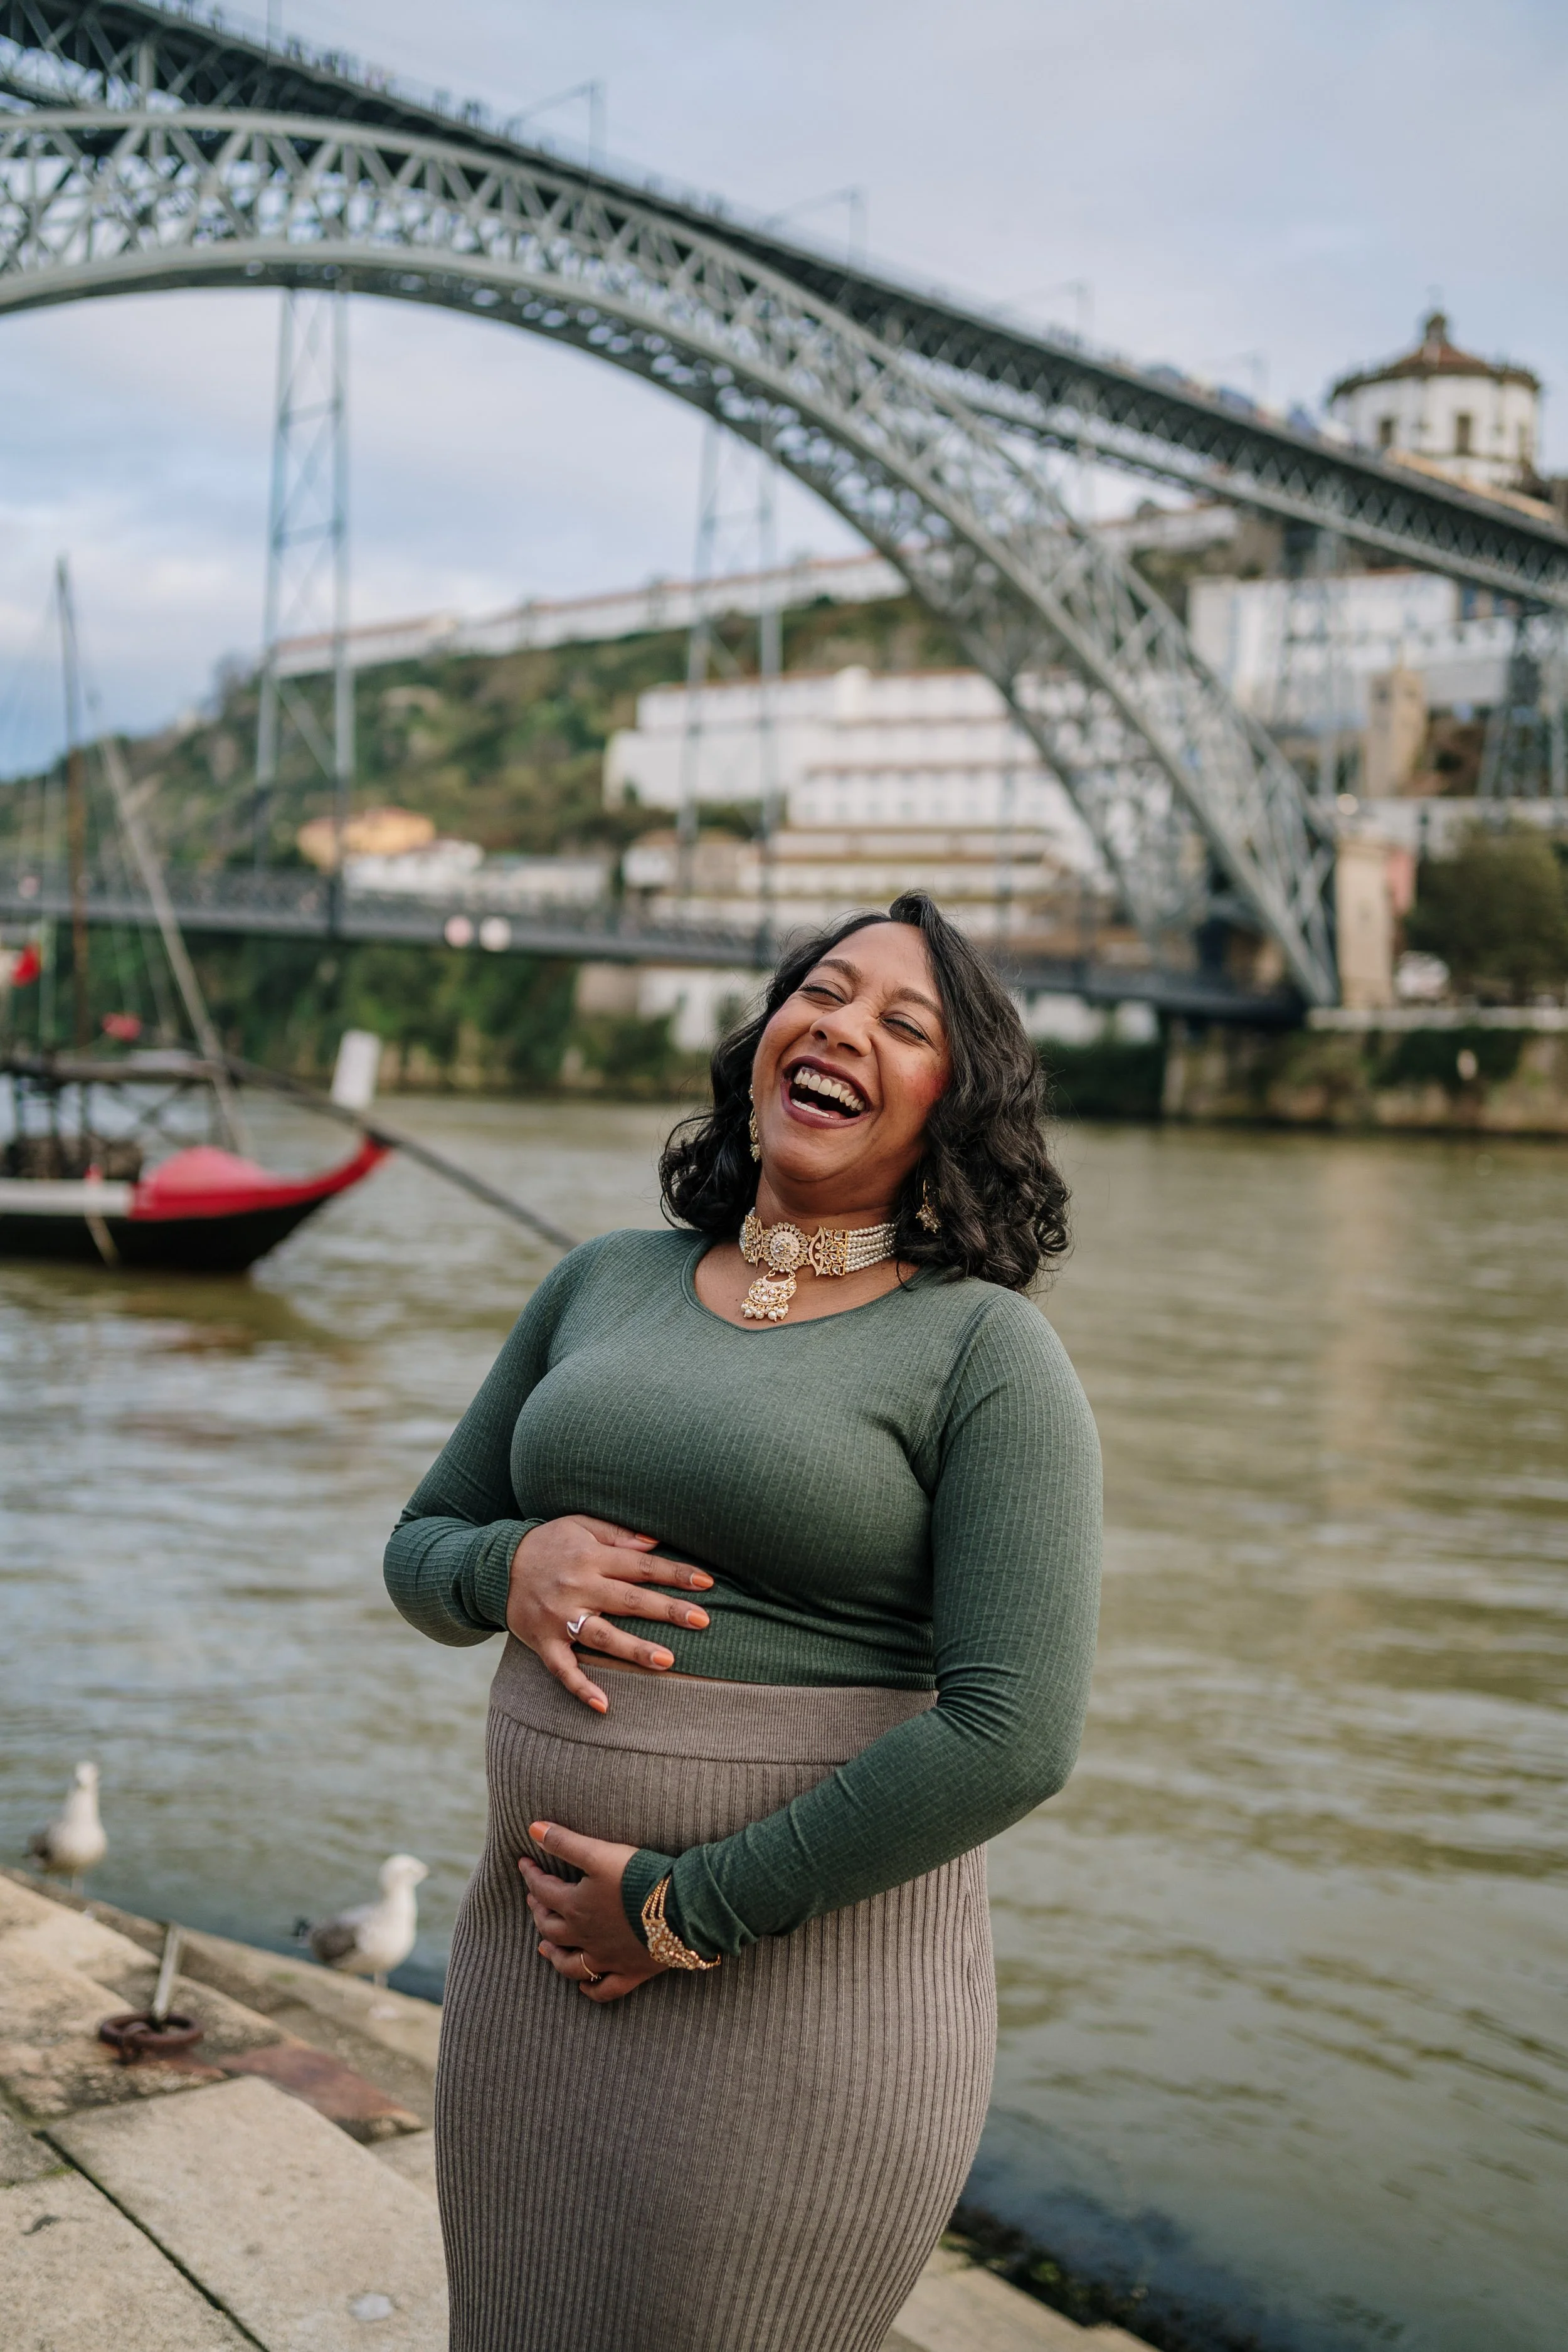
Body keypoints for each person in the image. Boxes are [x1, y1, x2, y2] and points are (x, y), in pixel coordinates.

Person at [385, 892, 1102, 2352]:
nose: (841, 1025)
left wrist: (676, 1911)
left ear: (951, 1108)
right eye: (820, 992)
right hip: (528, 1977)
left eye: (902, 1024)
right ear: (766, 1039)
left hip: (800, 1994)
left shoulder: (984, 1351)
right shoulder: (603, 1280)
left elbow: (1012, 1735)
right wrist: (506, 1569)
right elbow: (418, 1550)